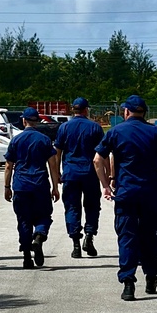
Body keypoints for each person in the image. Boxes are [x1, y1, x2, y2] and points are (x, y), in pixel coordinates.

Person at [94, 95, 157, 302]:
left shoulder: (115, 132)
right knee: (150, 235)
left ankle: (128, 283)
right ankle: (151, 277)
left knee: (127, 236)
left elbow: (98, 159)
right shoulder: (155, 133)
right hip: (151, 193)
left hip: (126, 193)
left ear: (126, 112)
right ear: (145, 113)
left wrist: (106, 185)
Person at [4, 108, 60, 268]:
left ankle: (27, 256)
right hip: (40, 184)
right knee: (44, 216)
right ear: (37, 121)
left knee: (23, 220)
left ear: (24, 121)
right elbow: (52, 164)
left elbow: (8, 166)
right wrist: (55, 187)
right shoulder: (44, 140)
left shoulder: (16, 140)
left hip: (21, 186)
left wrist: (7, 187)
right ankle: (39, 236)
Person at [54, 97, 105, 258]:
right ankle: (89, 236)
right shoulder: (95, 128)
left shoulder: (64, 127)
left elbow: (58, 151)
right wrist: (108, 176)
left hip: (70, 173)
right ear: (86, 110)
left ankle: (75, 243)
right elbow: (102, 153)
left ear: (73, 110)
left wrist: (56, 173)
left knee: (72, 207)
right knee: (92, 206)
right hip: (90, 173)